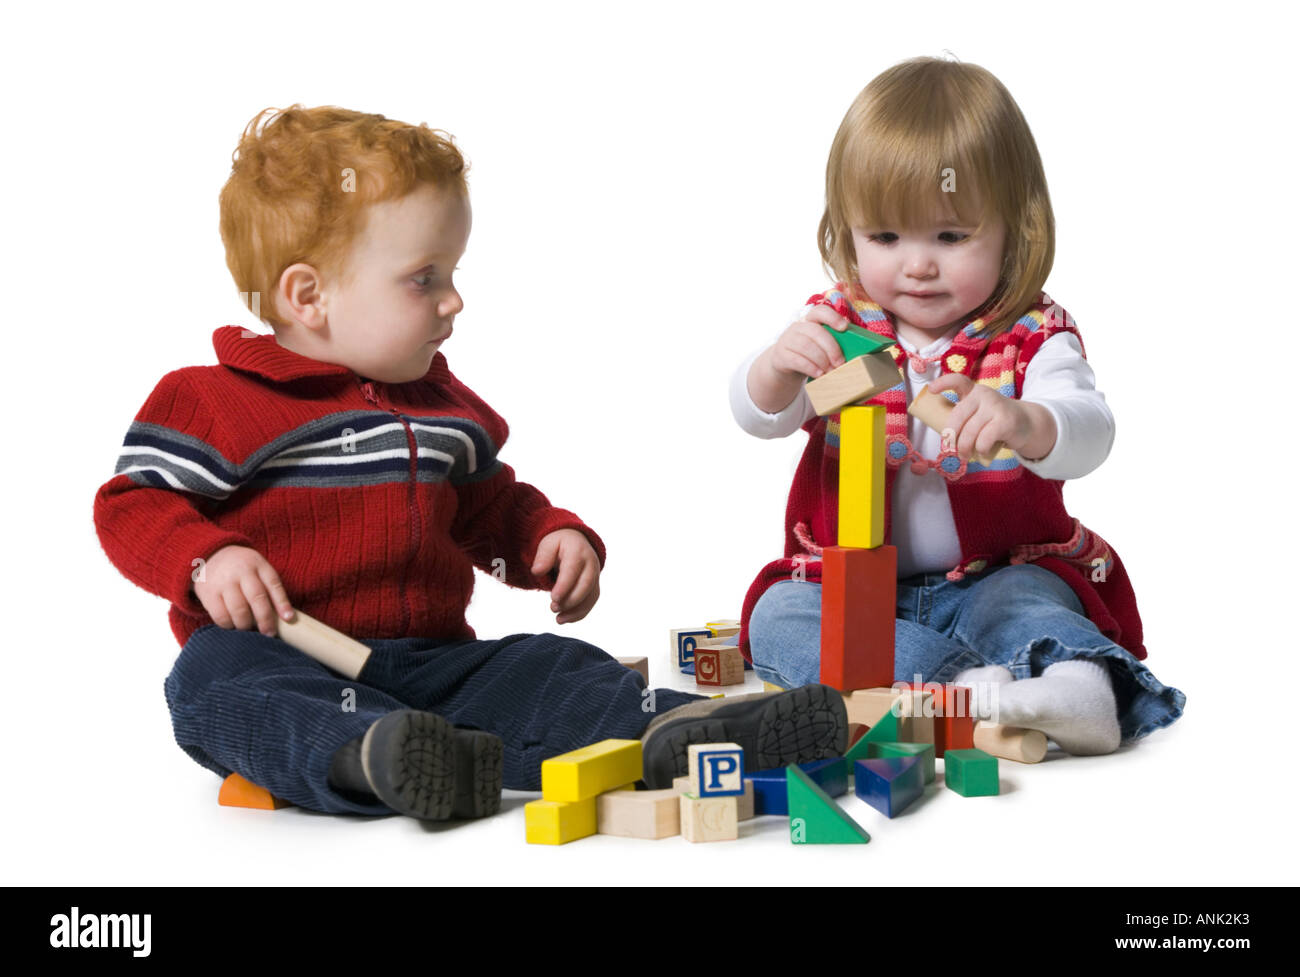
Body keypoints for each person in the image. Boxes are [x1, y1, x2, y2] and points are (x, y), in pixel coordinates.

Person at [93, 104, 846, 821]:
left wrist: (545, 538)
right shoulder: (216, 400)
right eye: (426, 278)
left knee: (550, 665)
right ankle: (372, 758)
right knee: (213, 684)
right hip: (288, 656)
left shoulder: (440, 406)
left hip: (431, 663)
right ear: (308, 294)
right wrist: (205, 559)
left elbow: (490, 508)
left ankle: (685, 732)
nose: (454, 301)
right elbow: (132, 504)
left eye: (451, 273)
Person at [729, 57, 1184, 756]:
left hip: (994, 573)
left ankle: (1081, 689)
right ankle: (972, 689)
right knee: (777, 615)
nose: (917, 265)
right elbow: (766, 415)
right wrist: (772, 372)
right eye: (885, 236)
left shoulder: (1028, 334)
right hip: (850, 587)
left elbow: (1091, 429)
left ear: (1015, 228)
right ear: (845, 229)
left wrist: (1027, 423)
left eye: (949, 236)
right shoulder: (838, 326)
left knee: (1027, 602)